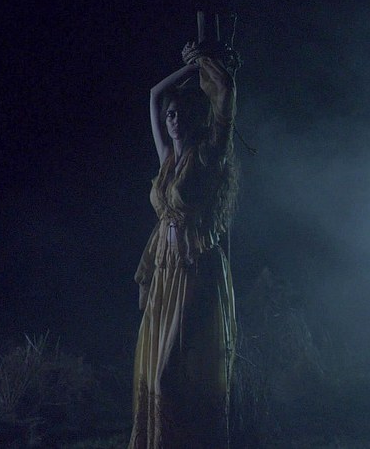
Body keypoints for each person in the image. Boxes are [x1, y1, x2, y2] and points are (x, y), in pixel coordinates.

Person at [128, 41, 239, 448]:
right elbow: (154, 95)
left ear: (192, 117)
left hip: (194, 270)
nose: (173, 119)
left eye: (180, 113)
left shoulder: (207, 155)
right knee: (154, 370)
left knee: (169, 374)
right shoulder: (167, 161)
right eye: (170, 115)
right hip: (164, 272)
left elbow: (225, 100)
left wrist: (204, 64)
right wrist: (189, 69)